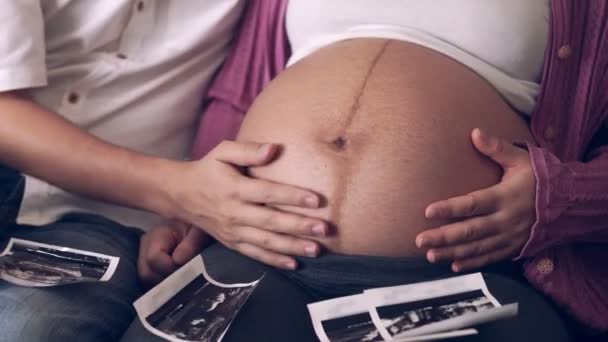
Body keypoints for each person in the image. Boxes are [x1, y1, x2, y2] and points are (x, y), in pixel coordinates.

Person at [131, 0, 608, 341]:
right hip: (258, 256)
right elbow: (238, 94)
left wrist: (566, 196)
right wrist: (193, 207)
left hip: (450, 277)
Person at [0, 1, 332, 341]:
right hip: (12, 189)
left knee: (25, 330)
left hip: (108, 223)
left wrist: (191, 211)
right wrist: (179, 192)